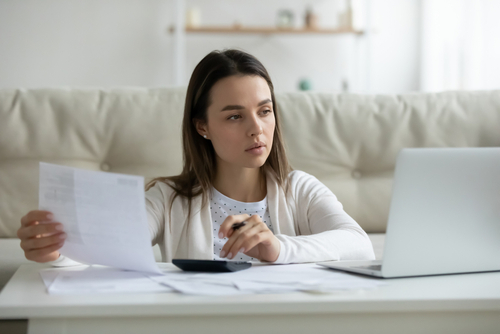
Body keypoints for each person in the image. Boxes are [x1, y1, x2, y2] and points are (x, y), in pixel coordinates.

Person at [17, 49, 375, 265]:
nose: (257, 129)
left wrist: (278, 247)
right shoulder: (168, 198)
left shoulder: (300, 189)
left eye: (264, 111)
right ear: (202, 126)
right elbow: (107, 249)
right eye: (235, 116)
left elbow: (359, 245)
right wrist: (54, 251)